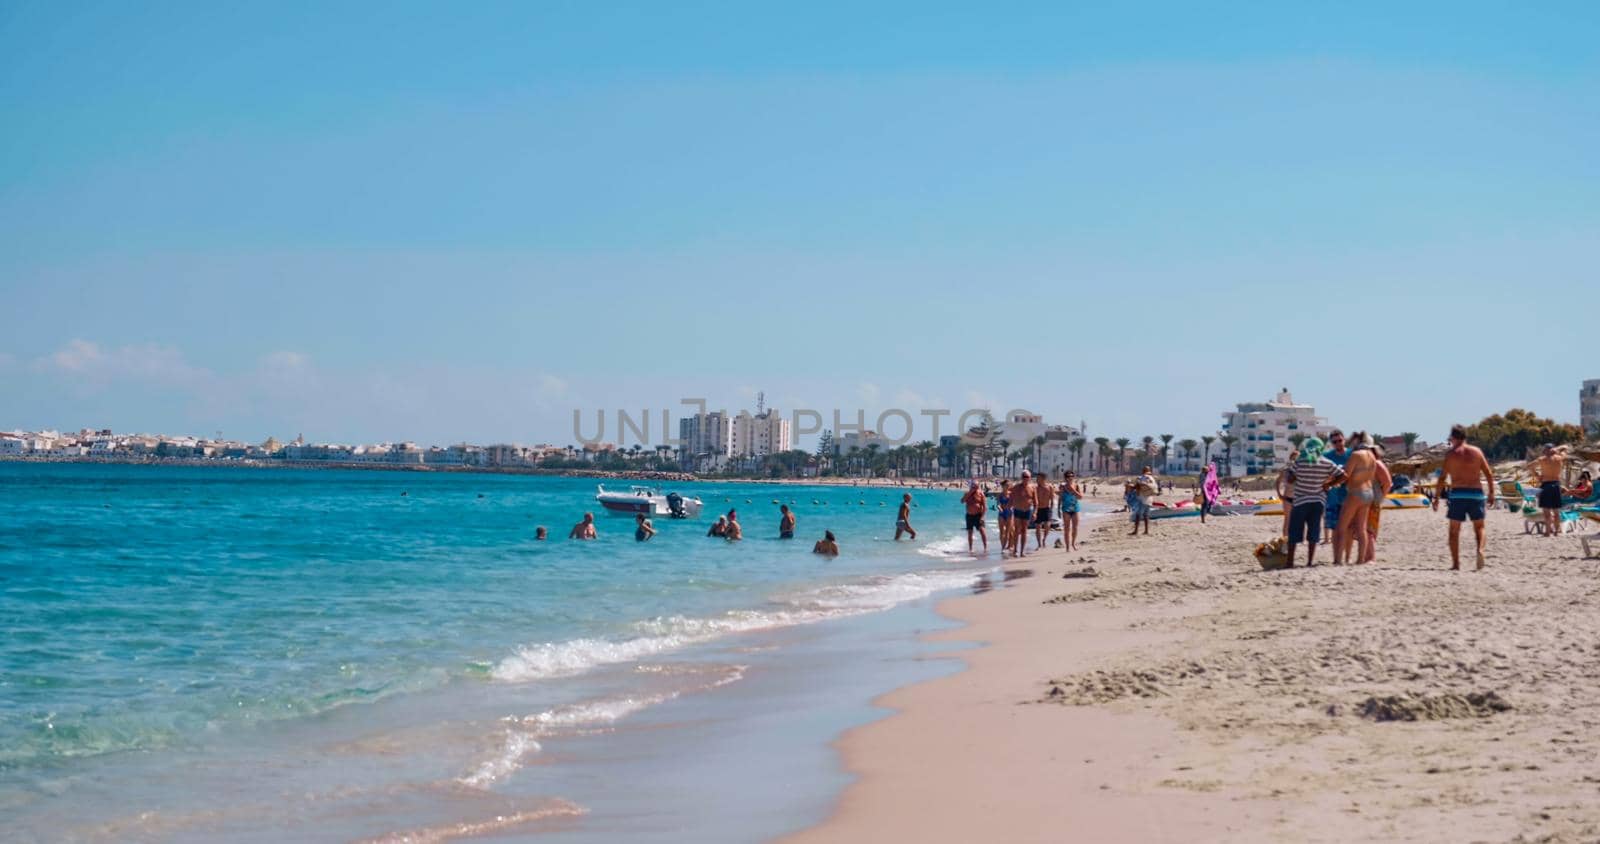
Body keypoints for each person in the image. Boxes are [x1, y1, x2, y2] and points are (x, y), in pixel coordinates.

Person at [1433, 424, 1496, 571]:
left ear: (1454, 438)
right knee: (1479, 527)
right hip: (1476, 494)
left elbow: (1442, 478)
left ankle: (1456, 564)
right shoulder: (1477, 452)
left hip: (1458, 494)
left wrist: (1436, 497)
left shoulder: (1451, 455)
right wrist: (1491, 492)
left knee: (1454, 531)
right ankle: (1480, 550)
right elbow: (1488, 473)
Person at [1284, 438, 1345, 567]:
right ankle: (1310, 561)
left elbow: (1290, 480)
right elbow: (1343, 475)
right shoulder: (1326, 462)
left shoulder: (1300, 462)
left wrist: (1291, 468)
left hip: (1300, 500)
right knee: (1314, 530)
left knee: (1294, 531)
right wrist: (1329, 484)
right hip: (1318, 501)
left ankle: (1290, 562)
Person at [1335, 432, 1380, 566]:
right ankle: (1360, 560)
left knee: (1341, 527)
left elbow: (1345, 475)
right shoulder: (1372, 456)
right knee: (1361, 528)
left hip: (1356, 491)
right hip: (1368, 492)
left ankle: (1338, 560)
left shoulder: (1356, 455)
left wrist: (1330, 483)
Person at [1321, 431, 1352, 563]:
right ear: (1331, 444)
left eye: (1340, 440)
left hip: (1349, 498)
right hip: (1332, 498)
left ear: (1344, 440)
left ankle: (1347, 557)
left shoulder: (1351, 454)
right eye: (1335, 442)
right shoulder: (1327, 456)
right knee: (1335, 530)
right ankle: (1336, 558)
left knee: (1349, 530)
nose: (1338, 443)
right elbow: (1322, 475)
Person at [1529, 444, 1568, 538]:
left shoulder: (1542, 459)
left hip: (1546, 484)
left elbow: (1529, 466)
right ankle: (1556, 532)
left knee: (1546, 511)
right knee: (1556, 511)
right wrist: (1556, 450)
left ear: (1545, 450)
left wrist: (1537, 476)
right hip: (1556, 484)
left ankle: (1547, 532)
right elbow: (1566, 447)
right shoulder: (1559, 458)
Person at [1364, 443, 1393, 563]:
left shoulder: (1376, 463)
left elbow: (1388, 483)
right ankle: (1367, 556)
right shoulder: (1371, 463)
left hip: (1373, 500)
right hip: (1368, 499)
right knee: (1366, 529)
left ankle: (1370, 557)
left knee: (1369, 529)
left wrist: (1381, 497)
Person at [1009, 472, 1035, 557]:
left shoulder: (1032, 488)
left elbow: (1036, 502)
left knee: (1024, 531)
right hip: (1018, 510)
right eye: (1024, 477)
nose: (1025, 478)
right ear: (1021, 477)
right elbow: (1011, 499)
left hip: (1027, 511)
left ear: (1030, 478)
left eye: (1027, 477)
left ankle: (1022, 551)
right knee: (1017, 530)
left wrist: (1035, 512)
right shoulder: (1016, 487)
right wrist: (1008, 509)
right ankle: (1015, 550)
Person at [1128, 467, 1156, 536]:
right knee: (1146, 515)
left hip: (1142, 499)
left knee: (1138, 515)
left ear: (1143, 471)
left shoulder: (1141, 478)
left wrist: (1131, 487)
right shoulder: (1152, 478)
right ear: (1149, 471)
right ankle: (1146, 531)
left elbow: (1137, 487)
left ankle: (1136, 531)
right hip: (1150, 499)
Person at [962, 480, 988, 554]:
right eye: (974, 486)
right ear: (971, 486)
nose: (975, 488)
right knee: (970, 532)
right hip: (969, 516)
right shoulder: (967, 493)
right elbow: (962, 501)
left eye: (976, 487)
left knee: (982, 531)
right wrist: (970, 493)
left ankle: (985, 547)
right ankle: (970, 549)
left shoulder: (981, 494)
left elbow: (985, 507)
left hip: (978, 515)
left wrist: (982, 517)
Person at [1059, 471, 1083, 551]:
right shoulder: (1062, 487)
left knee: (1075, 528)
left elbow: (1080, 497)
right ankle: (1067, 547)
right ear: (1065, 478)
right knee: (1066, 528)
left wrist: (1073, 490)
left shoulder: (1076, 486)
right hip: (1066, 509)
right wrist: (1058, 509)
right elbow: (1060, 498)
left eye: (1072, 476)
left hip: (1075, 508)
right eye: (1068, 476)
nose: (1070, 478)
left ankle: (1073, 544)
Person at [1032, 474, 1056, 551]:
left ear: (1043, 479)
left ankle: (1044, 539)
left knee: (1047, 525)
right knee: (1038, 527)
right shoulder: (1035, 488)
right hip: (1038, 509)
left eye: (1038, 478)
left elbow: (1052, 499)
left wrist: (1051, 509)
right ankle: (1039, 544)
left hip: (1046, 508)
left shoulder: (1049, 487)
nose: (1037, 480)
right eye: (1037, 478)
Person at [995, 483, 1013, 553]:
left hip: (1009, 513)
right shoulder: (1000, 495)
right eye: (1005, 486)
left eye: (1008, 486)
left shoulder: (1011, 494)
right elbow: (998, 504)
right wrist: (999, 508)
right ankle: (1003, 546)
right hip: (1001, 513)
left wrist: (1011, 507)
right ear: (1002, 486)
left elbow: (1013, 502)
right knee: (1002, 531)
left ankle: (1010, 546)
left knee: (1009, 531)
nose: (1007, 487)